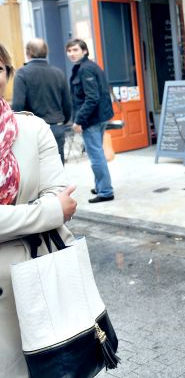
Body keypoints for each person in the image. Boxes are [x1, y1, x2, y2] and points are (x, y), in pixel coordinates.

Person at [0, 43, 78, 377]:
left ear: (8, 74)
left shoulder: (32, 130)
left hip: (31, 284)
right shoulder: (59, 71)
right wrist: (45, 212)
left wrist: (53, 208)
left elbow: (62, 199)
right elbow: (54, 207)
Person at [65, 39, 115, 203]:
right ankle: (101, 186)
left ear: (84, 51)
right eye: (69, 51)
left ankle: (106, 191)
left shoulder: (86, 69)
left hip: (92, 119)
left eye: (75, 50)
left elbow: (92, 98)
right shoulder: (86, 67)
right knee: (97, 153)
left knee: (95, 156)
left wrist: (79, 120)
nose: (72, 54)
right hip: (98, 117)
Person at [11, 38, 73, 164]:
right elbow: (67, 103)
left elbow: (17, 106)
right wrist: (64, 121)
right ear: (46, 52)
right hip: (56, 128)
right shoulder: (58, 73)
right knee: (57, 170)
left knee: (36, 171)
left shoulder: (22, 73)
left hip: (33, 131)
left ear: (28, 53)